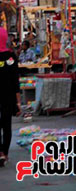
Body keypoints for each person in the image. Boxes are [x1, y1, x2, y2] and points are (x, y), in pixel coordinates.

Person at [0, 27, 21, 167]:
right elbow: (15, 81)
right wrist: (18, 102)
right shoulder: (12, 57)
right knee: (7, 125)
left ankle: (0, 153)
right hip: (8, 97)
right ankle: (5, 153)